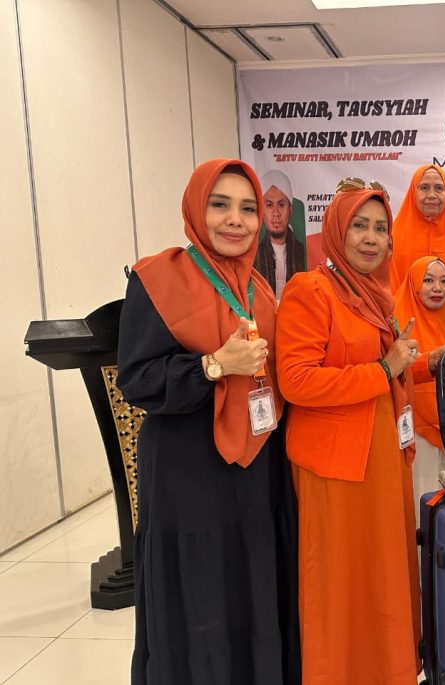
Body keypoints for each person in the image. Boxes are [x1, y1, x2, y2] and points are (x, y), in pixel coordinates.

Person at [117, 158, 300, 685]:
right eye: (220, 205)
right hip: (189, 472)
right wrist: (214, 365)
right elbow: (137, 380)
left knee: (252, 580)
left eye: (247, 208)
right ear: (197, 209)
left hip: (257, 470)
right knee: (200, 592)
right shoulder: (158, 278)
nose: (235, 220)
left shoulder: (258, 289)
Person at [276, 179, 445, 684]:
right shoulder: (311, 290)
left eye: (380, 228)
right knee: (340, 582)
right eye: (360, 225)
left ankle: (386, 670)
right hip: (337, 469)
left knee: (381, 573)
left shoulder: (375, 293)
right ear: (337, 230)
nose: (371, 238)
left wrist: (423, 364)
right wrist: (384, 369)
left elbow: (388, 368)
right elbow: (296, 381)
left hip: (382, 457)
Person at [394, 256, 445, 517]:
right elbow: (392, 371)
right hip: (415, 429)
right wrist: (427, 362)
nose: (437, 288)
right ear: (413, 285)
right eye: (428, 280)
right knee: (421, 499)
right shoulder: (398, 322)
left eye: (444, 281)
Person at [390, 164, 445, 293]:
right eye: (424, 188)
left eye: (439, 188)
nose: (431, 195)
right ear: (414, 191)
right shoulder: (394, 237)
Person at [254, 169, 306, 300]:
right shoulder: (253, 255)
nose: (276, 213)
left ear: (290, 209)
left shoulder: (303, 251)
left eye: (281, 205)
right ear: (261, 210)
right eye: (269, 205)